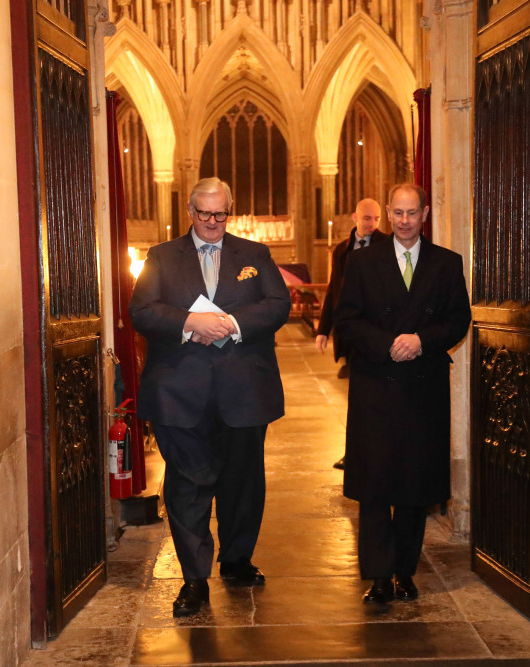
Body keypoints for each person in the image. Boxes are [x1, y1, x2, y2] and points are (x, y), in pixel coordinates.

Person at [128, 177, 292, 617]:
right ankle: (194, 579)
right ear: (190, 211)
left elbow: (278, 304)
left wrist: (233, 324)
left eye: (221, 214)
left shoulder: (254, 255)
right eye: (204, 214)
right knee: (188, 484)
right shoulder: (161, 257)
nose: (213, 222)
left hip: (244, 391)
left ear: (230, 210)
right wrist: (189, 322)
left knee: (243, 482)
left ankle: (237, 560)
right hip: (180, 392)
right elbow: (142, 310)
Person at [334, 183, 471, 604]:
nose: (406, 220)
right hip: (376, 384)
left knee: (414, 485)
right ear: (389, 214)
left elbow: (457, 320)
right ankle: (378, 575)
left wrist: (421, 341)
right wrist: (388, 343)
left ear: (425, 213)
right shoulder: (362, 262)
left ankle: (405, 570)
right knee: (376, 484)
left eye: (413, 213)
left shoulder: (446, 263)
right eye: (399, 213)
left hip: (422, 387)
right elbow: (348, 318)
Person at [314, 198, 388, 470]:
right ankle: (355, 452)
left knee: (377, 397)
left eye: (377, 219)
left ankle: (377, 453)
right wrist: (324, 329)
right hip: (352, 334)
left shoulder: (386, 245)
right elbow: (335, 289)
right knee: (355, 397)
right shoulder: (342, 250)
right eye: (367, 218)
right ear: (355, 217)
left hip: (378, 334)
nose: (372, 224)